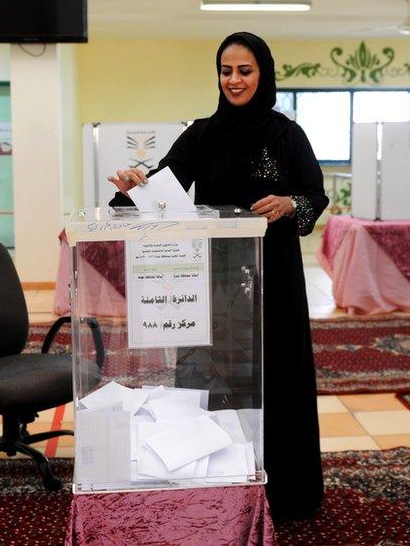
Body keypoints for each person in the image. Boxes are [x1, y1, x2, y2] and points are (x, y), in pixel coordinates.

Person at [107, 32, 328, 520]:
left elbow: (316, 194)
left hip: (276, 282)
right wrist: (130, 189)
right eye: (225, 71)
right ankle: (216, 489)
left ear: (263, 74)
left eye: (244, 71)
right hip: (215, 281)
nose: (233, 80)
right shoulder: (202, 134)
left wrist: (292, 203)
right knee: (214, 377)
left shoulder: (288, 135)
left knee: (278, 378)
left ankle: (285, 494)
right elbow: (161, 190)